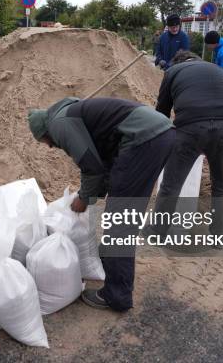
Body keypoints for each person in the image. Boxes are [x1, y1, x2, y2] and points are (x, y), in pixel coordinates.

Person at [27, 97, 175, 311]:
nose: (49, 147)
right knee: (122, 211)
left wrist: (85, 198)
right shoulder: (71, 113)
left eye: (44, 142)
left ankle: (116, 295)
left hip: (144, 140)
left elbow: (90, 165)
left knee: (120, 220)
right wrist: (96, 192)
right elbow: (104, 161)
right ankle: (110, 264)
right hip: (159, 135)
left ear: (44, 132)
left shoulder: (59, 125)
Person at [143, 50, 223, 240]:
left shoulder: (173, 71)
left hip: (191, 126)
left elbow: (162, 111)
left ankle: (157, 232)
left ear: (177, 62)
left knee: (171, 184)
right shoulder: (218, 69)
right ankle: (220, 234)